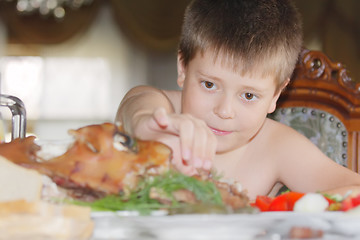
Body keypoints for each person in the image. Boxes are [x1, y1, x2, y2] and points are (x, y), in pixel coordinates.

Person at [115, 0, 360, 200]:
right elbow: (137, 103)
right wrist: (145, 124)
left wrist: (280, 212)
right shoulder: (165, 111)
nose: (224, 111)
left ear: (276, 94)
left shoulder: (276, 145)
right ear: (183, 68)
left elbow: (353, 189)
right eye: (209, 85)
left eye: (249, 95)